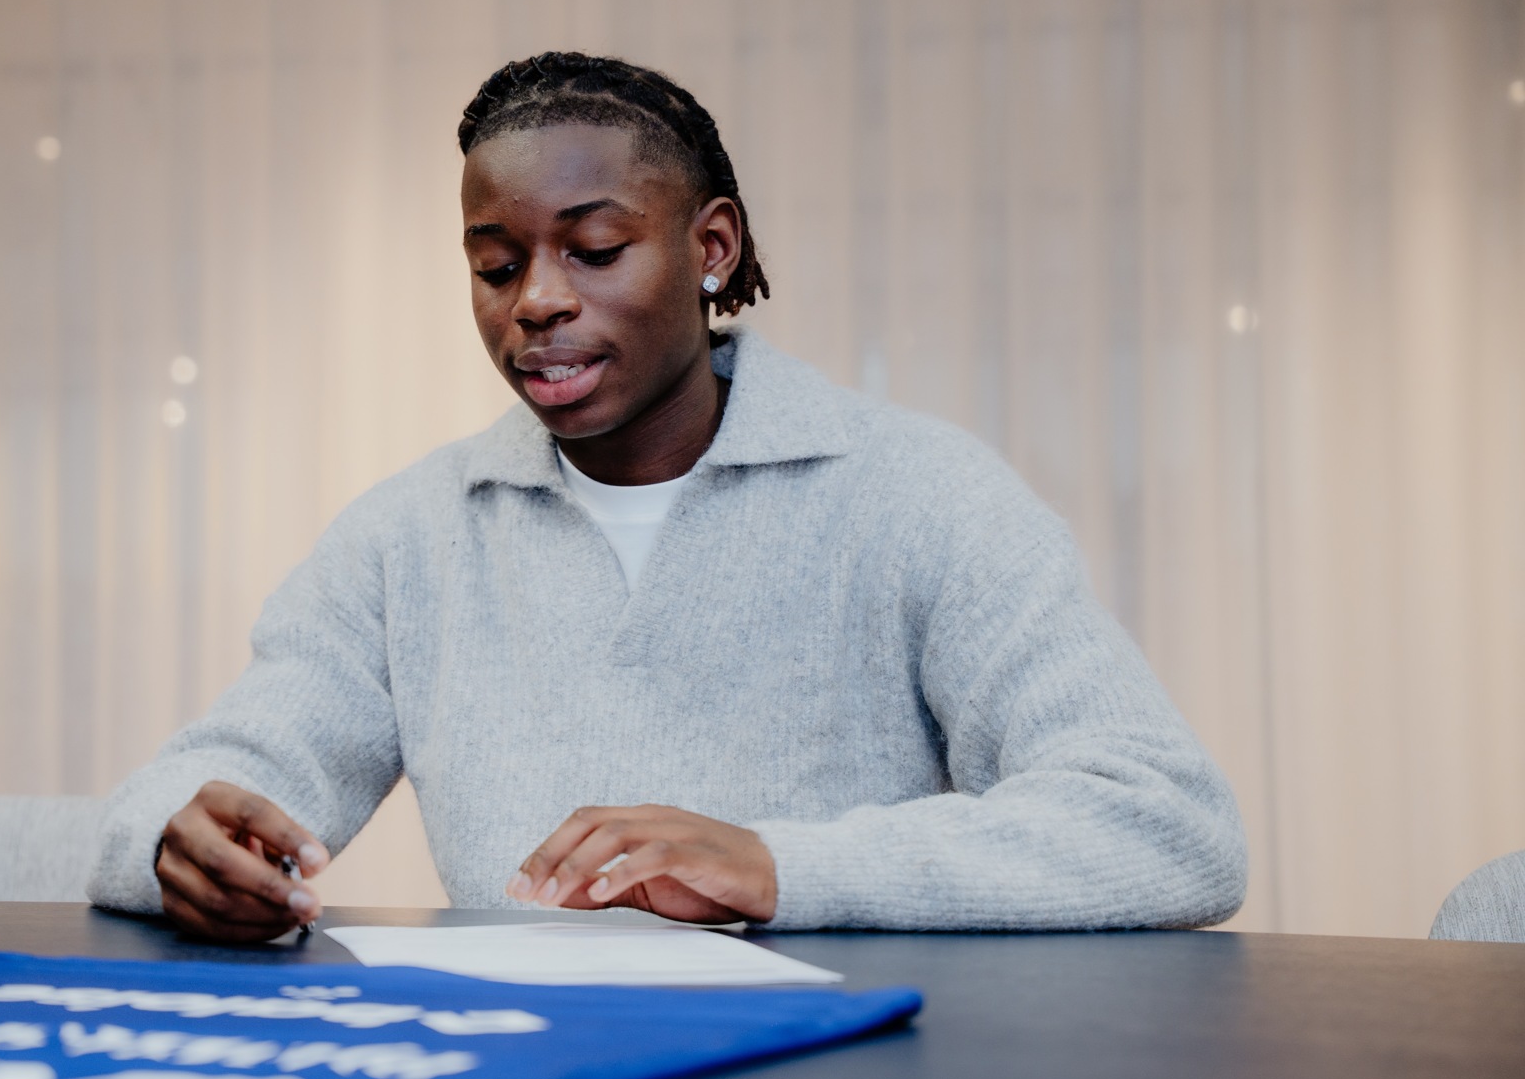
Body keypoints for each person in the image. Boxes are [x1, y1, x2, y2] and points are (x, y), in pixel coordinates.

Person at [88, 52, 1249, 942]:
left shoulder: (919, 497)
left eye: (593, 249)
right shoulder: (411, 536)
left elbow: (1167, 826)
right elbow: (206, 783)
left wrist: (777, 866)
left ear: (711, 247)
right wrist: (175, 842)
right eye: (494, 265)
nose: (534, 302)